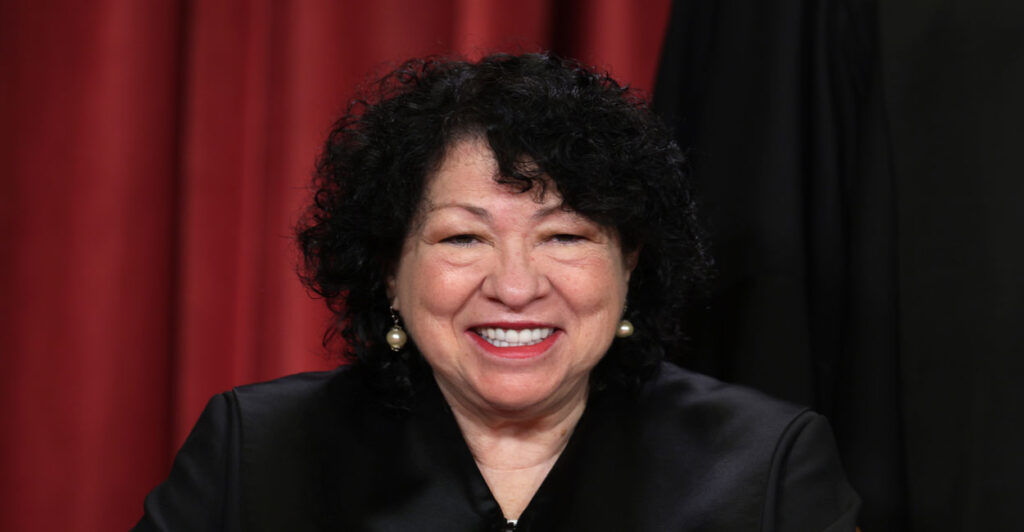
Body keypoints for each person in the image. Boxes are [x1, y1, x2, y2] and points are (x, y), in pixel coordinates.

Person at [134, 53, 860, 531]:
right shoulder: (254, 450)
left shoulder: (768, 465)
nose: (514, 287)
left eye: (565, 237)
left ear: (630, 262)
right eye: (462, 238)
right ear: (391, 266)